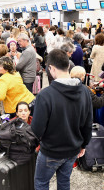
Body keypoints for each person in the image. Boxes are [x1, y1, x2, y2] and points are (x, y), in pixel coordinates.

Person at [31, 49, 92, 190]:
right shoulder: (84, 91)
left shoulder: (45, 95)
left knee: (41, 183)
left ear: (51, 68)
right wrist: (84, 144)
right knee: (64, 182)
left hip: (51, 151)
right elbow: (88, 123)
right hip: (73, 149)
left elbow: (36, 129)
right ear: (68, 66)